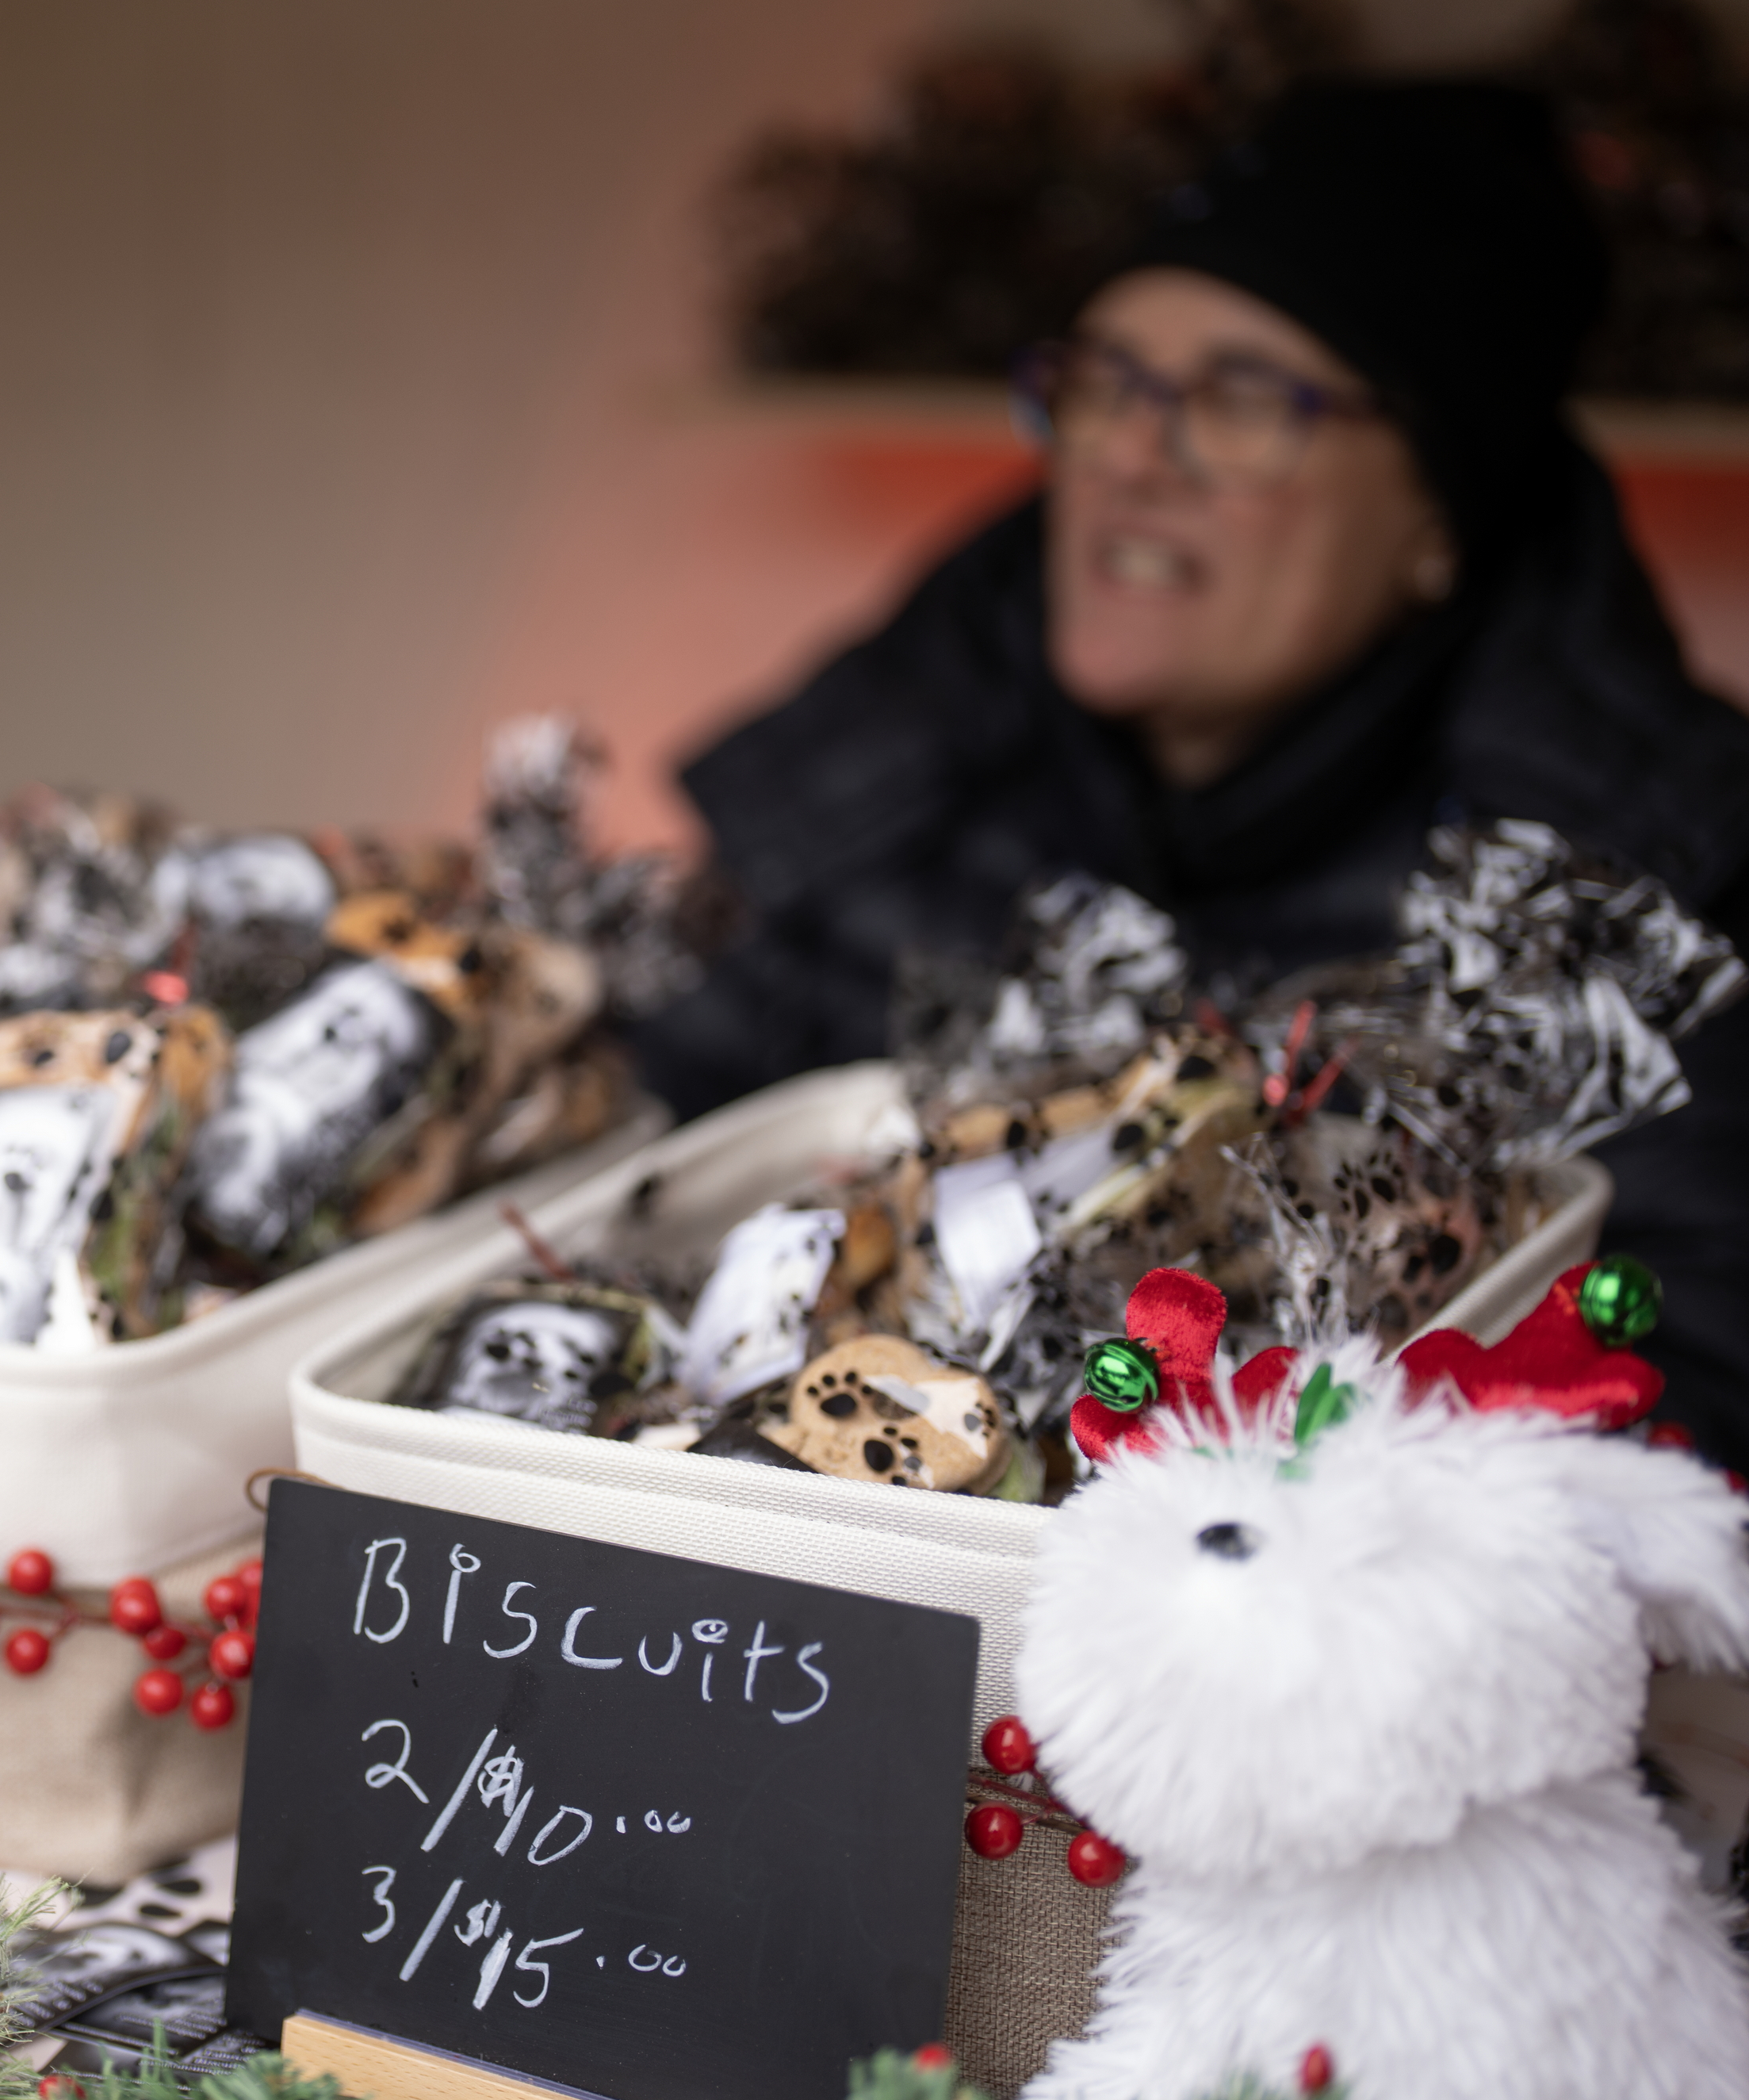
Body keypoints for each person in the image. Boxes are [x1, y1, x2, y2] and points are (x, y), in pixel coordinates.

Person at [636, 80, 1749, 1462]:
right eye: (1102, 383)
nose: (1130, 459)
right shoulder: (893, 759)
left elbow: (1692, 1371)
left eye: (1240, 398)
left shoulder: (1646, 881)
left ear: (1437, 517)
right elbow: (643, 1156)